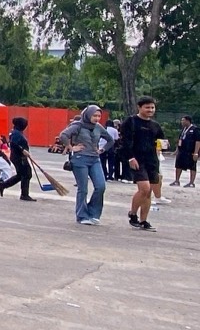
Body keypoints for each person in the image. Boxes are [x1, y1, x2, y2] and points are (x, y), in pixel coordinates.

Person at [118, 97, 165, 231]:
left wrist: (162, 147)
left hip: (152, 161)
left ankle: (144, 221)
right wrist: (130, 158)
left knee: (148, 192)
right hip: (137, 160)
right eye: (147, 107)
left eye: (152, 107)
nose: (150, 110)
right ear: (139, 107)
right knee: (144, 188)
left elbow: (161, 141)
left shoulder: (155, 125)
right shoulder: (131, 121)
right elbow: (125, 142)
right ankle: (133, 214)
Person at [57, 105, 108, 225]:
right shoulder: (78, 125)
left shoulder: (98, 127)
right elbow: (63, 135)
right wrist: (71, 148)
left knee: (101, 186)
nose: (97, 118)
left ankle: (94, 213)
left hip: (95, 159)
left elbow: (110, 140)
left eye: (99, 116)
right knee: (83, 189)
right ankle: (82, 215)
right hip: (80, 159)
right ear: (88, 115)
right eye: (94, 115)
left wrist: (102, 149)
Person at [0, 116, 35, 201]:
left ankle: (3, 185)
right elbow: (13, 143)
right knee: (26, 174)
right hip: (19, 157)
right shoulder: (16, 133)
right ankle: (24, 195)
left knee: (21, 175)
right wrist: (22, 150)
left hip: (19, 157)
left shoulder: (16, 132)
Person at [171, 116, 198, 188]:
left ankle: (191, 183)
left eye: (183, 120)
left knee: (192, 166)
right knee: (178, 165)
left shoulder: (195, 129)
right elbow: (180, 140)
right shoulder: (183, 129)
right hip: (182, 151)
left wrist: (196, 152)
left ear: (188, 121)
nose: (182, 122)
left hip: (190, 151)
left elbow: (198, 141)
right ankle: (177, 181)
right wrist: (177, 150)